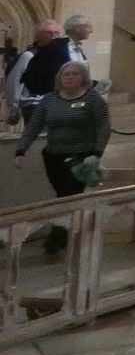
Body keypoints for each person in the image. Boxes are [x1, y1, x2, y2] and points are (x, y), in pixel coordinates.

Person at [13, 61, 110, 254]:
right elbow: (34, 126)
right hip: (54, 156)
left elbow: (103, 127)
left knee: (67, 195)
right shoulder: (49, 100)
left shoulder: (93, 99)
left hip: (81, 157)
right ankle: (68, 231)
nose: (70, 77)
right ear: (60, 78)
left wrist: (97, 153)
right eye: (66, 74)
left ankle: (56, 237)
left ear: (83, 77)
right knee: (62, 195)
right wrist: (21, 150)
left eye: (75, 74)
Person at [18, 14, 94, 103]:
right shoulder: (56, 47)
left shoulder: (77, 49)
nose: (91, 31)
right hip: (51, 100)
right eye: (88, 26)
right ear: (77, 28)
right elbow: (50, 75)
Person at [6, 18, 60, 122]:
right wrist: (14, 107)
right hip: (33, 105)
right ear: (39, 35)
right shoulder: (29, 56)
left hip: (53, 104)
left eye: (56, 33)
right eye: (48, 32)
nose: (53, 36)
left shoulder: (58, 55)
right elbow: (14, 81)